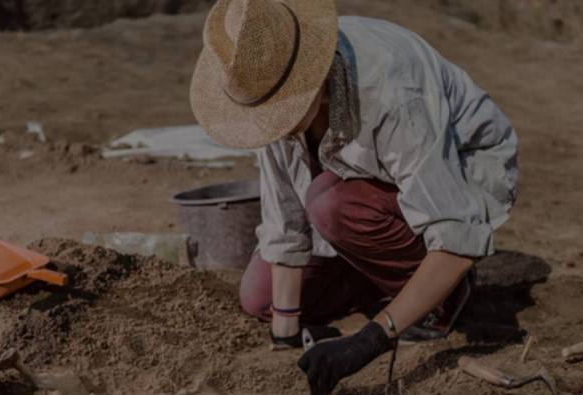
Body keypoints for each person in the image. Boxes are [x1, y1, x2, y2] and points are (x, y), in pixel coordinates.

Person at [189, 1, 518, 394]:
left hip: (459, 177)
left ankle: (441, 298)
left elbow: (456, 237)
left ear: (314, 84)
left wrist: (371, 339)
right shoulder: (265, 81)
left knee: (330, 204)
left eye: (280, 113)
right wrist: (285, 333)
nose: (271, 126)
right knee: (260, 298)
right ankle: (382, 269)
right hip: (360, 195)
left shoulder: (393, 91)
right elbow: (284, 222)